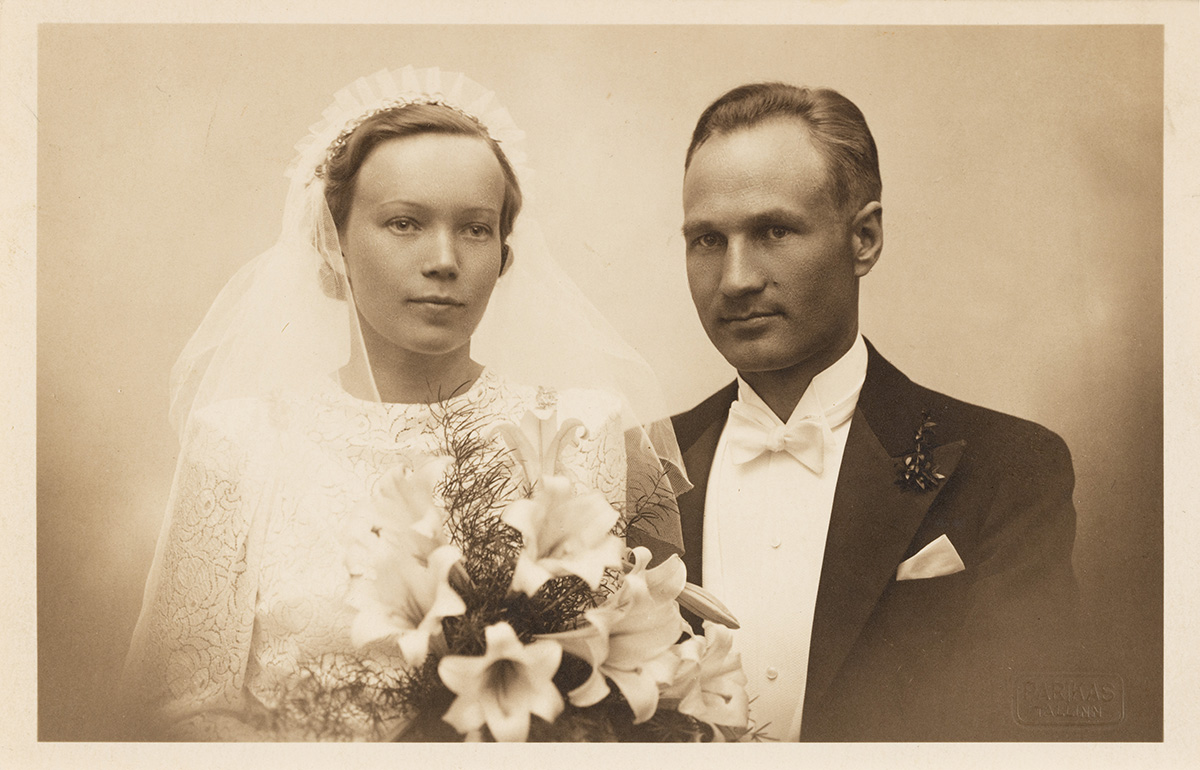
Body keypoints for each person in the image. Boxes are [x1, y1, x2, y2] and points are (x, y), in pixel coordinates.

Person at [118, 67, 685, 741]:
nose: (444, 259)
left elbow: (618, 686)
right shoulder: (240, 442)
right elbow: (181, 711)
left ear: (504, 256)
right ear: (333, 244)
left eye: (475, 229)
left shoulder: (581, 431)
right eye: (404, 223)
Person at [664, 82, 1081, 741]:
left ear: (864, 239)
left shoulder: (1009, 468)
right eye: (708, 239)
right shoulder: (635, 471)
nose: (737, 278)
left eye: (774, 231)